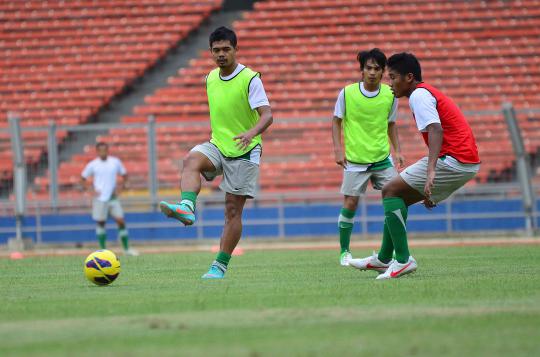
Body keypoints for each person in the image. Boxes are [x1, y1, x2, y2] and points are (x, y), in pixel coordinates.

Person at [349, 52, 480, 279]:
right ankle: (383, 258)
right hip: (464, 161)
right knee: (399, 198)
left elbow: (436, 129)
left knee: (390, 190)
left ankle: (402, 260)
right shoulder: (425, 93)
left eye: (393, 77)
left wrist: (431, 172)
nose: (389, 84)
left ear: (409, 77)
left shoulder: (419, 95)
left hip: (454, 159)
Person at [159, 26, 273, 279]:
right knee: (191, 160)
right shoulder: (210, 78)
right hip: (218, 145)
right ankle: (187, 207)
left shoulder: (250, 78)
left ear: (235, 50)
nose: (221, 54)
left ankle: (219, 265)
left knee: (232, 212)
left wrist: (250, 133)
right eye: (216, 50)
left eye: (226, 49)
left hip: (245, 150)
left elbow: (268, 115)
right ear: (210, 52)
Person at [332, 48, 404, 266]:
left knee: (394, 202)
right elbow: (336, 121)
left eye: (377, 69)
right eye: (368, 68)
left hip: (382, 158)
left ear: (383, 72)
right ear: (361, 70)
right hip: (355, 160)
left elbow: (391, 124)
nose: (372, 72)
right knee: (351, 203)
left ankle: (389, 252)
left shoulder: (390, 95)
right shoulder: (347, 93)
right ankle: (345, 251)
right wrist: (337, 149)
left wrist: (398, 150)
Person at [81, 142, 138, 256]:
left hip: (113, 197)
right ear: (97, 151)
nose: (103, 152)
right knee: (101, 223)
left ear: (108, 150)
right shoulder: (93, 164)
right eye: (100, 150)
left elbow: (125, 175)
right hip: (100, 198)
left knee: (121, 221)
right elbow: (82, 178)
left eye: (105, 150)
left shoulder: (115, 162)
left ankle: (126, 249)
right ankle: (103, 251)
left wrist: (121, 188)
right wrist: (92, 191)